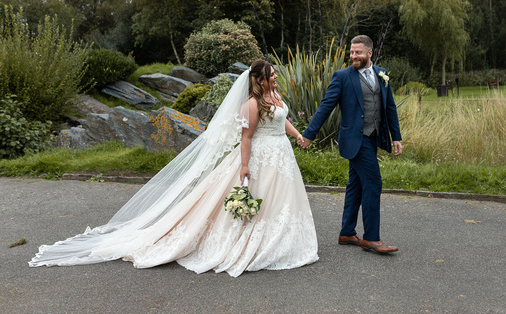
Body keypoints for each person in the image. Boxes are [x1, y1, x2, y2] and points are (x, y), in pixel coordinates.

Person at [29, 60, 318, 277]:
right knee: (257, 199)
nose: (276, 77)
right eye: (271, 74)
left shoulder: (276, 97)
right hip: (259, 157)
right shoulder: (251, 104)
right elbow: (246, 138)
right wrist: (244, 165)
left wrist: (299, 136)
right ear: (259, 79)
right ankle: (250, 242)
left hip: (281, 156)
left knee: (282, 201)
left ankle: (284, 239)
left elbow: (283, 121)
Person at [300, 35, 402, 254]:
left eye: (358, 53)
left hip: (373, 137)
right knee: (373, 183)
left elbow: (390, 107)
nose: (353, 56)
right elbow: (326, 107)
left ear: (369, 53)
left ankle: (347, 232)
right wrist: (309, 134)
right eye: (352, 53)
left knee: (355, 185)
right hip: (355, 139)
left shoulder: (381, 74)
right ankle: (372, 238)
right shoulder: (342, 77)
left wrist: (397, 137)